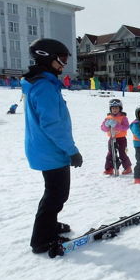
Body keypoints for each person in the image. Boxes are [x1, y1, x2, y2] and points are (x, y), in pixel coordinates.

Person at [21, 38, 83, 256]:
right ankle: (41, 239)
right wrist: (72, 150)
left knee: (55, 193)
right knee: (56, 194)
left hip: (45, 148)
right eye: (62, 59)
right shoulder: (44, 87)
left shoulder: (41, 83)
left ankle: (50, 225)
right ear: (48, 57)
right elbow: (52, 124)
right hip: (51, 150)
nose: (64, 64)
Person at [101, 99, 132, 175]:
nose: (114, 110)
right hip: (111, 138)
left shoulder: (123, 117)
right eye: (113, 108)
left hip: (121, 139)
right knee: (110, 153)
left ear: (120, 108)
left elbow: (126, 127)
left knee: (122, 153)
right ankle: (109, 169)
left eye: (116, 108)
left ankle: (128, 167)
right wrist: (106, 125)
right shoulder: (108, 118)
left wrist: (117, 125)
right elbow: (102, 128)